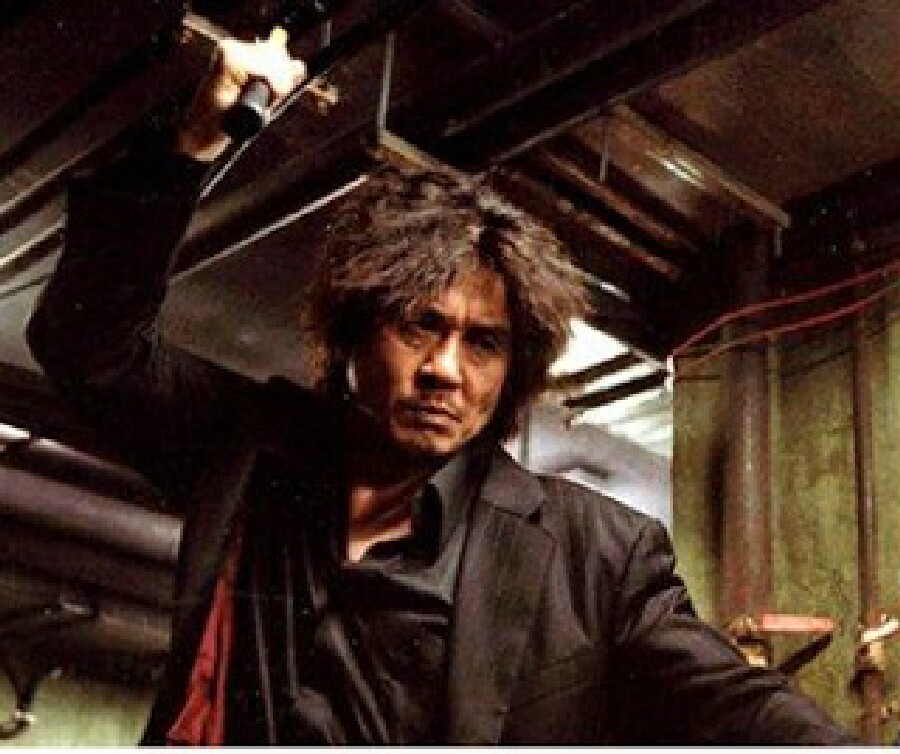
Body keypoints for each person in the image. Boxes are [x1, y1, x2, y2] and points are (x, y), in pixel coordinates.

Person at [26, 29, 856, 746]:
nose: (445, 369)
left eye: (483, 343)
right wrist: (192, 143)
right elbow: (83, 345)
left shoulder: (597, 555)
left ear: (515, 368)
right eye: (419, 326)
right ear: (354, 333)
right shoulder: (251, 452)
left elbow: (735, 702)